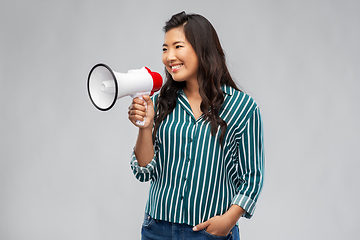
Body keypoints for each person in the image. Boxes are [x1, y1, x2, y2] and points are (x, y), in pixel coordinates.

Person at [128, 11, 264, 240]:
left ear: (202, 49)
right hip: (156, 230)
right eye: (164, 48)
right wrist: (145, 127)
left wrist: (228, 221)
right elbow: (144, 171)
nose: (169, 57)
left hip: (209, 233)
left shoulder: (243, 107)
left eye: (177, 46)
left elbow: (252, 176)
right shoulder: (159, 102)